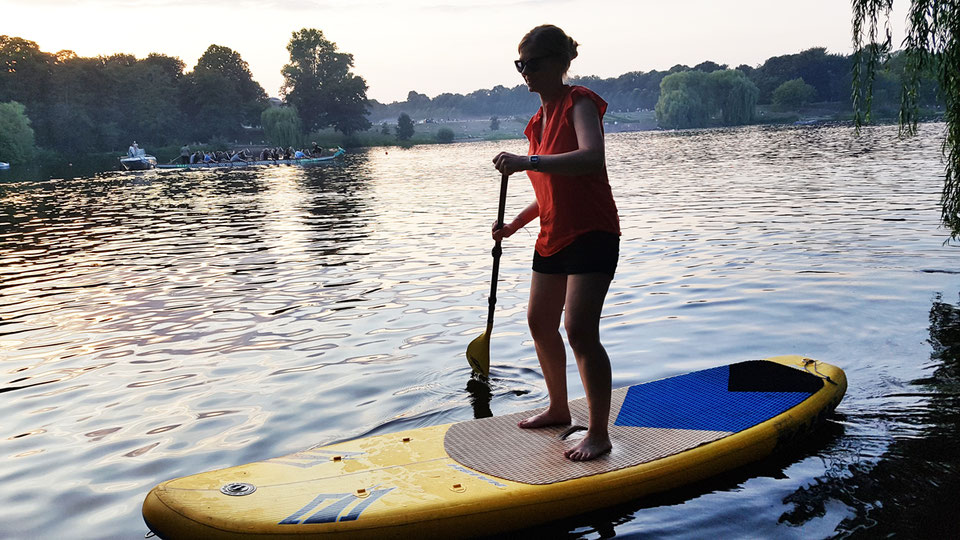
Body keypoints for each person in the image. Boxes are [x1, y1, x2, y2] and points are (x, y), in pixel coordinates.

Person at [491, 24, 620, 462]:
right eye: (520, 64)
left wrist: (527, 160)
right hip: (553, 236)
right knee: (539, 322)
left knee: (580, 330)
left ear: (560, 63)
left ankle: (598, 433)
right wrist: (514, 224)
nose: (525, 72)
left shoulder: (578, 102)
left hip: (592, 232)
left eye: (533, 63)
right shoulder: (535, 123)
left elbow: (591, 157)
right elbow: (548, 189)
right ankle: (559, 407)